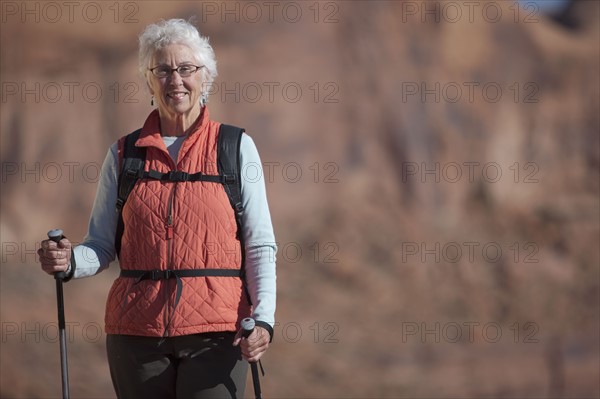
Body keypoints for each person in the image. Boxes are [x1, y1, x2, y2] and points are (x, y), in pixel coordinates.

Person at [37, 18, 277, 399]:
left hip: (217, 336)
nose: (175, 80)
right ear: (149, 81)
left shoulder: (235, 147)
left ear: (205, 76)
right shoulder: (124, 154)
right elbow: (100, 246)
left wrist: (264, 320)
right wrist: (68, 262)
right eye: (162, 70)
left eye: (186, 69)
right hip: (136, 338)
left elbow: (260, 244)